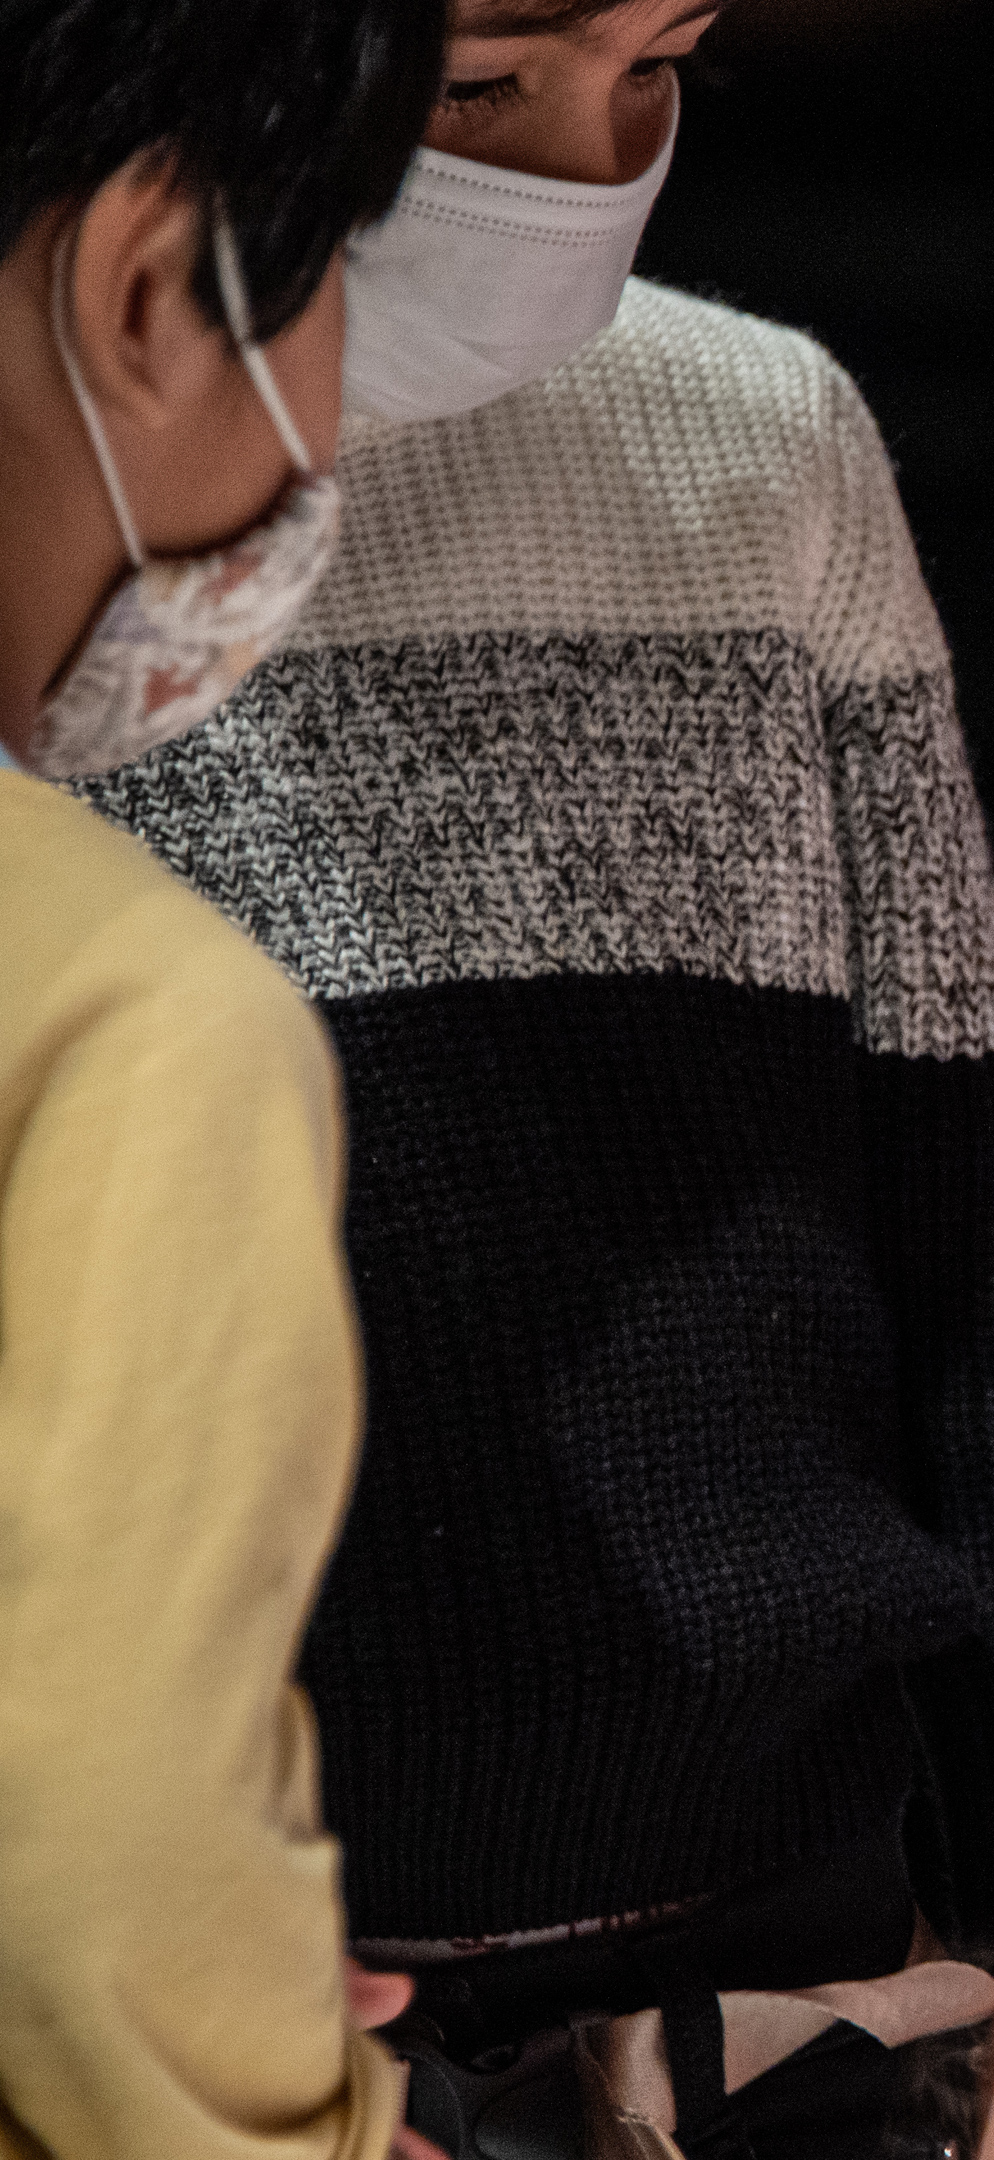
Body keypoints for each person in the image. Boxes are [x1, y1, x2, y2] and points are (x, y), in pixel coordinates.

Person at [63, 3, 994, 2152]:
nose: (588, 173)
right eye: (483, 85)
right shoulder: (67, 525)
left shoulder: (767, 445)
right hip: (224, 1999)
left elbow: (979, 1236)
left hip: (783, 1983)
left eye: (663, 69)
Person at [1, 0, 443, 2154]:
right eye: (353, 250)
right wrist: (289, 2084)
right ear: (148, 279)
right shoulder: (136, 1017)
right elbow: (93, 1866)